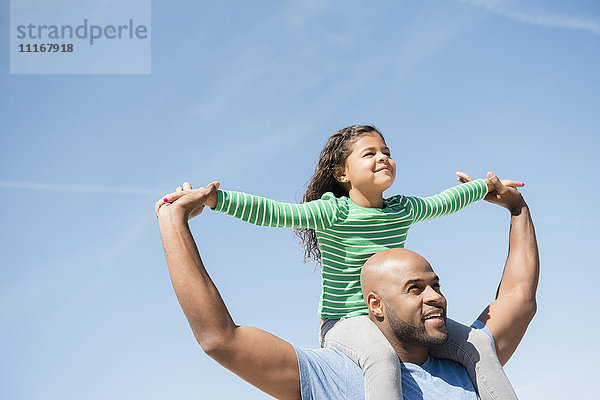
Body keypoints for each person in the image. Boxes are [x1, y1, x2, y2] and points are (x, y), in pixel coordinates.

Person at [156, 125, 523, 400]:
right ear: (342, 174)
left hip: (395, 318)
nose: (382, 157)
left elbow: (447, 200)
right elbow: (274, 213)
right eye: (369, 153)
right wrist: (214, 200)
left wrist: (486, 188)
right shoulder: (332, 212)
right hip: (346, 322)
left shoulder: (403, 210)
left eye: (386, 151)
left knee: (478, 345)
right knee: (381, 360)